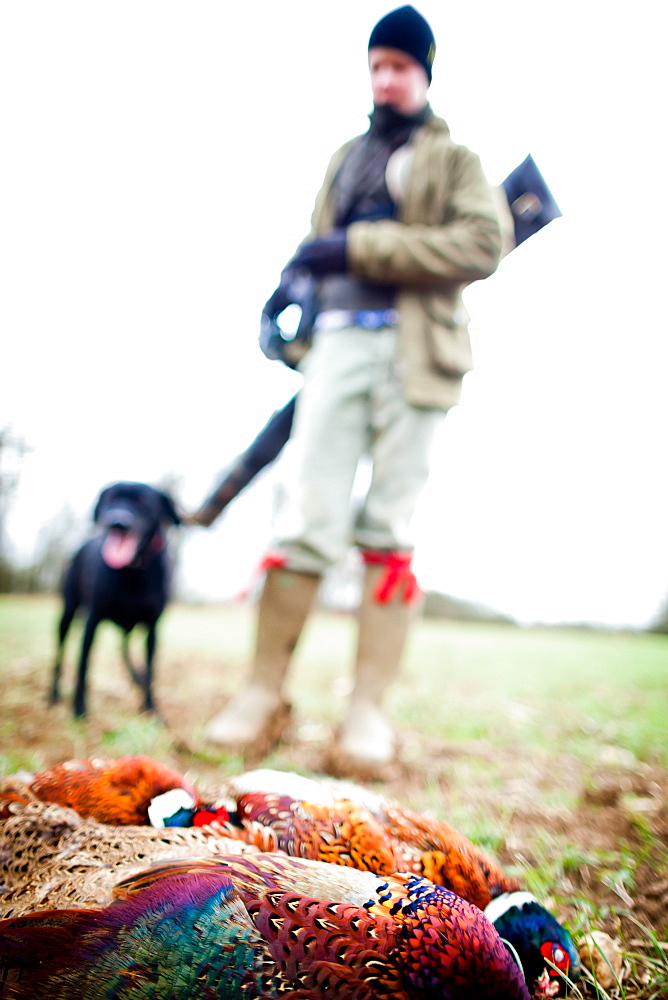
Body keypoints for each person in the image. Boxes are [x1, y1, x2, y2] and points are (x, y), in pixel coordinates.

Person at [204, 5, 504, 772]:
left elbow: (483, 241)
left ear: (424, 74)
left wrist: (360, 245)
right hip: (334, 346)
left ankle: (366, 711)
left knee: (391, 523)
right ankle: (261, 693)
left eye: (400, 65)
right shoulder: (345, 156)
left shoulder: (456, 159)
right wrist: (284, 292)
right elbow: (315, 247)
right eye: (376, 64)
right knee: (306, 515)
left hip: (415, 350)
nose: (385, 77)